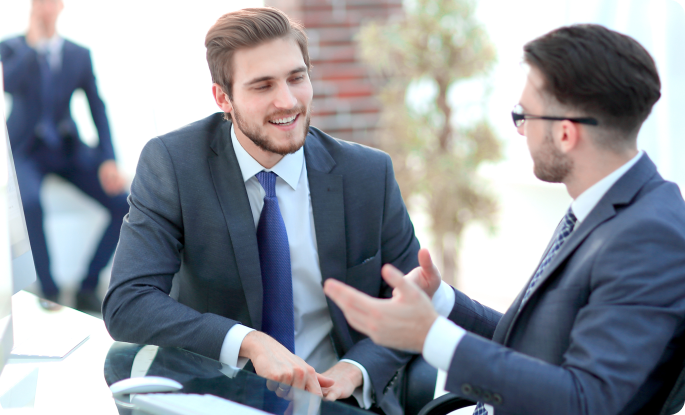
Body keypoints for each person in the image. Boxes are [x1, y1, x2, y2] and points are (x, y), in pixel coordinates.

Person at [324, 24, 685, 415]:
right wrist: (441, 302)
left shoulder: (648, 235)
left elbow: (586, 401)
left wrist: (429, 336)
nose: (521, 131)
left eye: (523, 115)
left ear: (565, 134)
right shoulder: (601, 208)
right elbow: (536, 345)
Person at [102, 7, 441, 414]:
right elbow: (128, 301)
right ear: (223, 98)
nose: (288, 101)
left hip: (337, 399)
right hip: (219, 396)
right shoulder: (174, 164)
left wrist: (355, 369)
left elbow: (409, 305)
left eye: (297, 78)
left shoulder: (368, 174)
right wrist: (249, 341)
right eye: (263, 86)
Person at [0, 0, 128, 312]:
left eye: (49, 2)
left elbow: (97, 107)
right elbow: (8, 85)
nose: (44, 8)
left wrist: (109, 157)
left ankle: (87, 285)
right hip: (26, 150)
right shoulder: (12, 48)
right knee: (29, 204)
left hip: (66, 148)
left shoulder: (78, 54)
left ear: (60, 7)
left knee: (123, 204)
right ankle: (50, 291)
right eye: (38, 3)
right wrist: (33, 45)